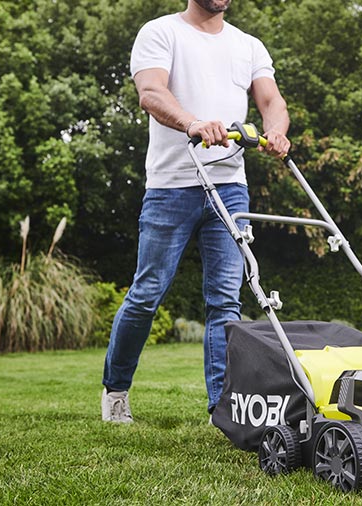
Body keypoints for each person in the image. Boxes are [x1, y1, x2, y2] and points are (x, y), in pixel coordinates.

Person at [101, 0, 290, 423]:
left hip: (230, 187)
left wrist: (275, 131)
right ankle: (116, 390)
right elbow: (151, 92)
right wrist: (193, 123)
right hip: (171, 186)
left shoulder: (248, 45)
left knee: (225, 300)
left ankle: (220, 408)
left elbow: (272, 101)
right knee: (147, 294)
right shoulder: (161, 32)